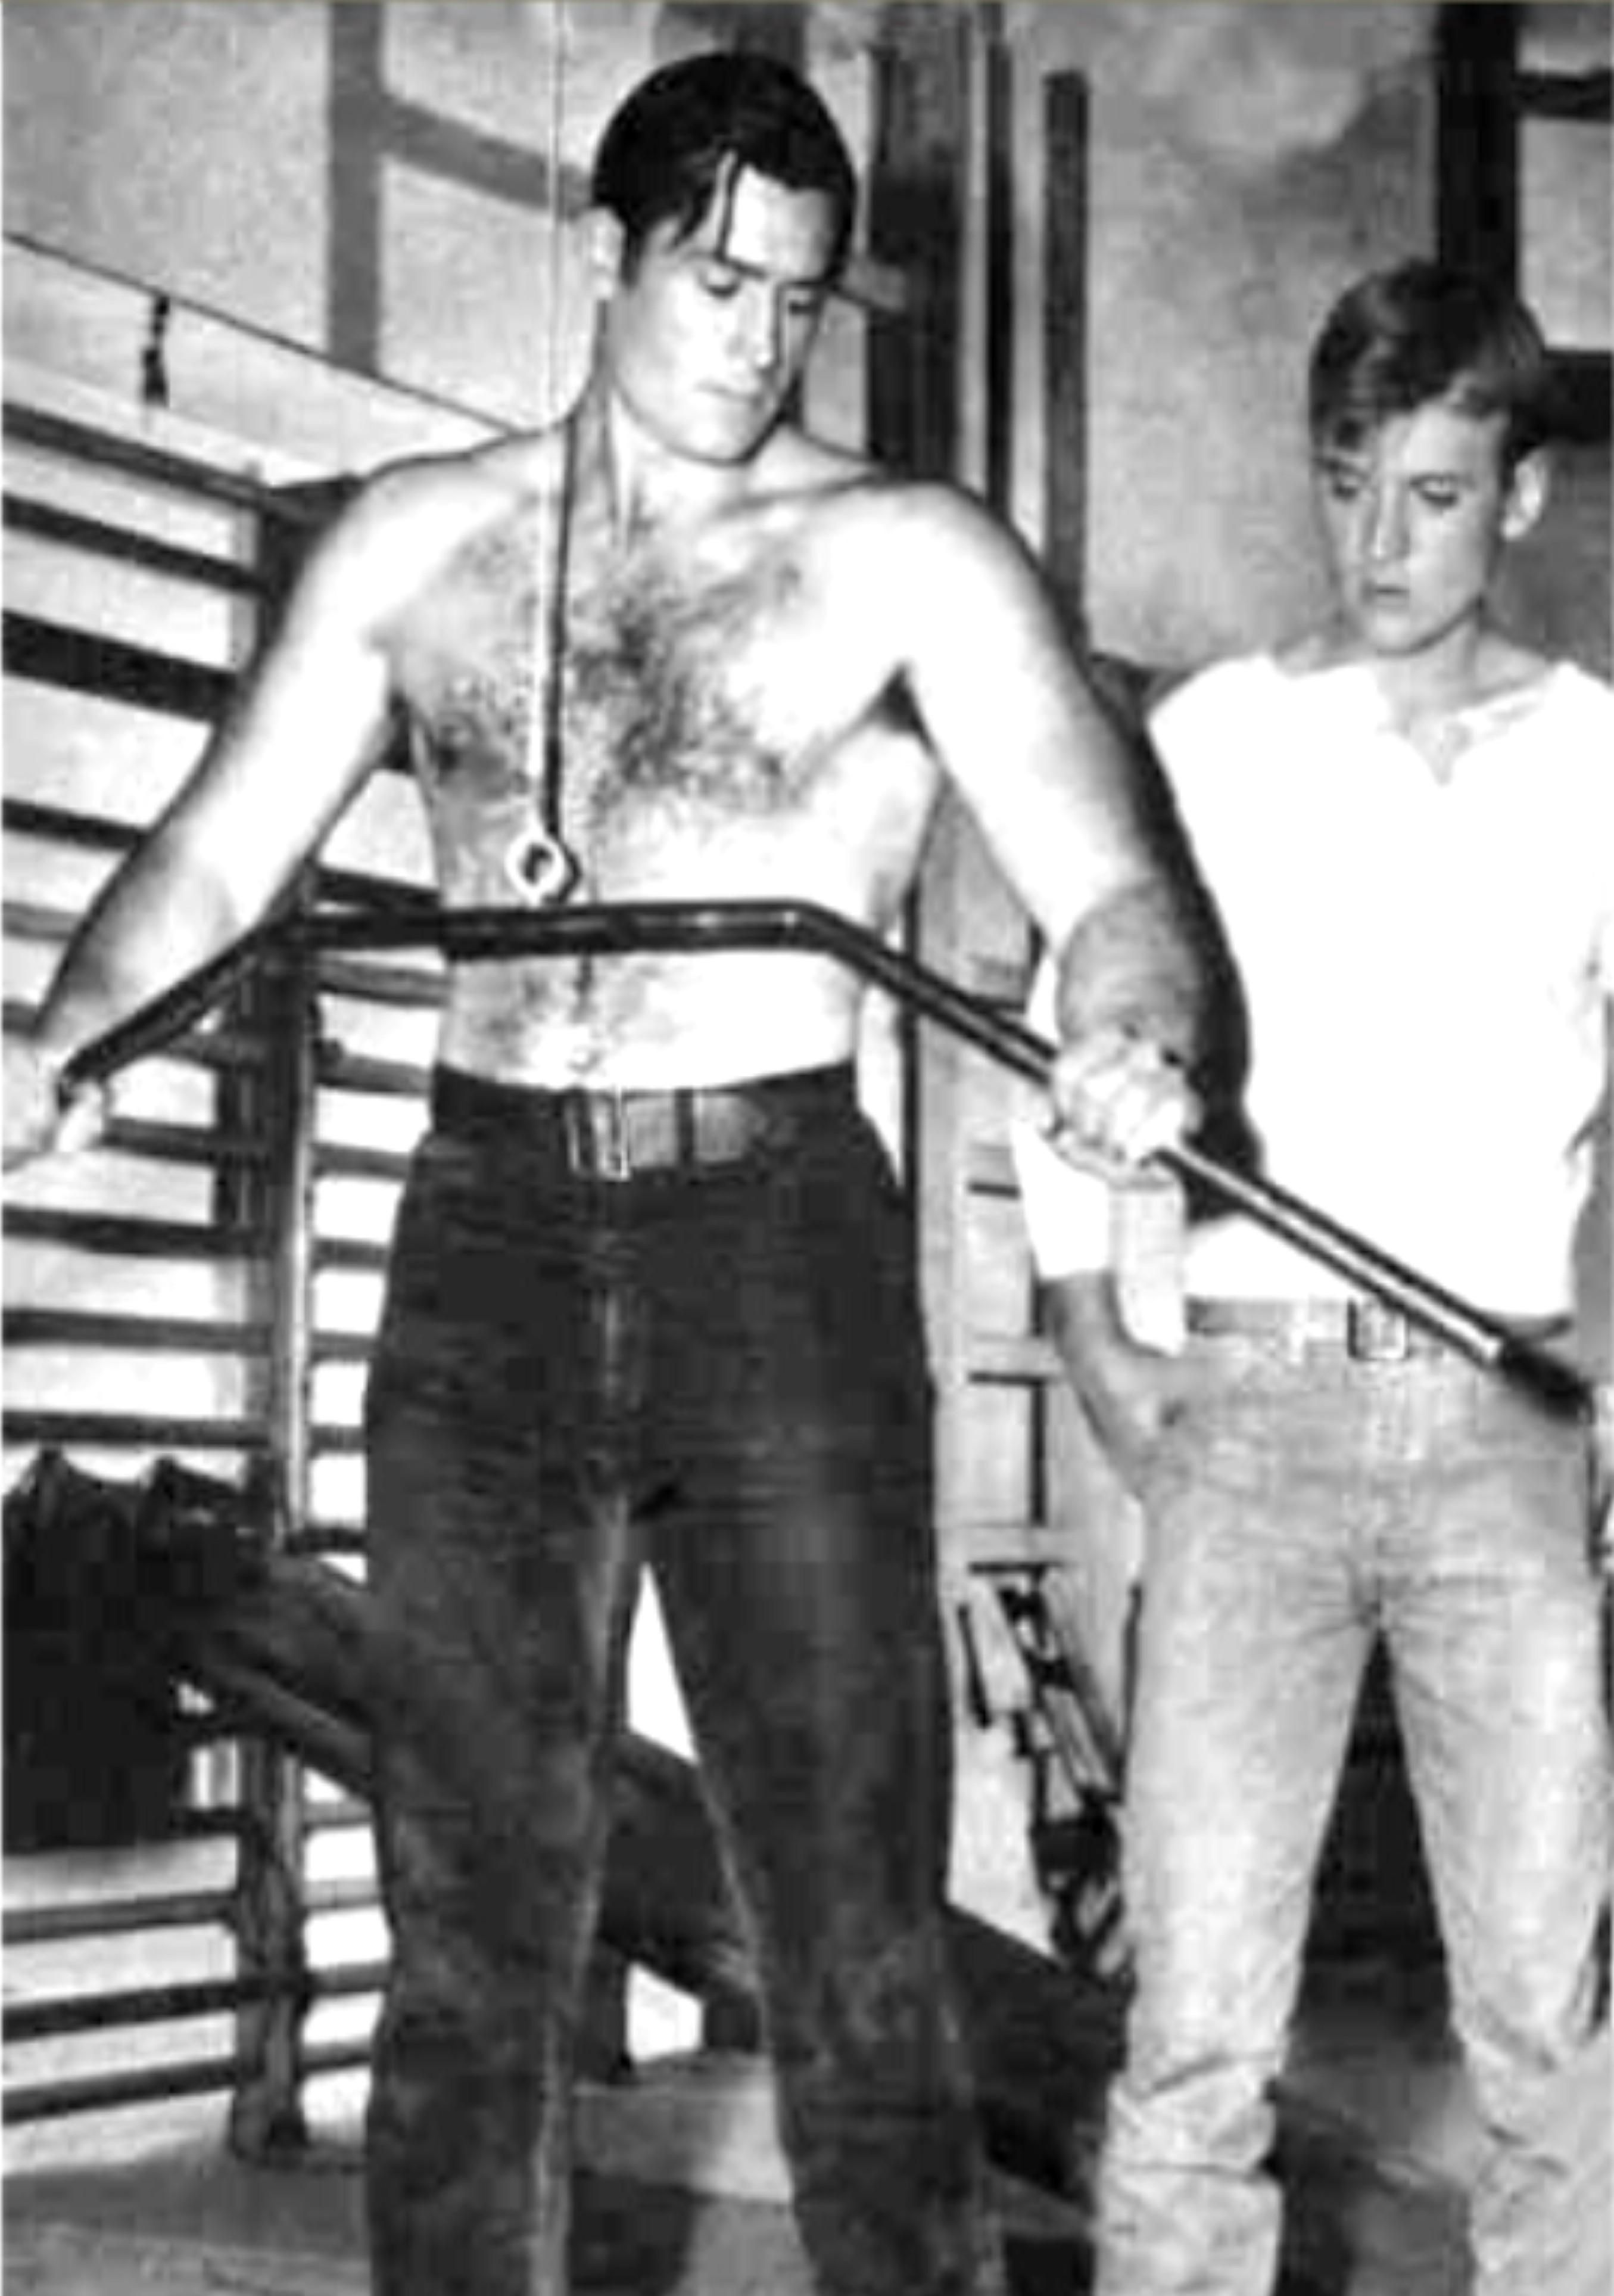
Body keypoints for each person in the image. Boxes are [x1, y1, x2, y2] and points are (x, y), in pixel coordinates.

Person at [4, 52, 1211, 2296]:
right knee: (467, 1938)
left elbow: (1110, 880)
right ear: (610, 253)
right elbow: (209, 857)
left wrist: (1134, 1033)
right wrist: (66, 1031)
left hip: (775, 1240)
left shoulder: (902, 556)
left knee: (852, 1942)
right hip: (486, 1255)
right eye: (717, 280)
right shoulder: (413, 550)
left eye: (798, 301)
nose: (758, 339)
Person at [1014, 257, 1614, 2296]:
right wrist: (1098, 1328)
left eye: (1435, 495)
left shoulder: (1603, 763)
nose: (1381, 541)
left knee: (1547, 2022)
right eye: (1349, 482)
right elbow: (1064, 1044)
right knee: (1195, 2027)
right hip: (1252, 1416)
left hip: (1506, 1433)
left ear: (1520, 496)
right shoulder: (1212, 744)